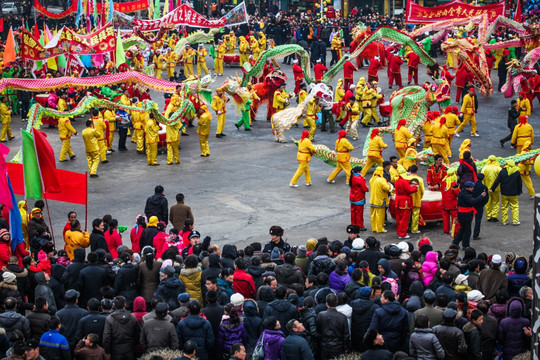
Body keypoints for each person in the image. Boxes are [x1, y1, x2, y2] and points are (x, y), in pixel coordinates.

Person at [452, 181, 487, 250]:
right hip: (466, 214)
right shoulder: (466, 195)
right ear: (467, 188)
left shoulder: (462, 192)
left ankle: (455, 242)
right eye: (471, 187)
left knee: (462, 229)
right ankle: (465, 245)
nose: (473, 188)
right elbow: (472, 202)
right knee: (467, 231)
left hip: (462, 213)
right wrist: (481, 196)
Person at [316, 293, 349, 359]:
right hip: (338, 347)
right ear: (337, 302)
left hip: (324, 346)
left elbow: (317, 331)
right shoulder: (342, 317)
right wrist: (346, 347)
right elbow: (346, 335)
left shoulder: (320, 315)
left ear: (326, 303)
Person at [490, 160, 522, 226]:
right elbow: (519, 183)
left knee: (504, 207)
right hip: (514, 193)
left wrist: (492, 188)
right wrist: (519, 191)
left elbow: (497, 181)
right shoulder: (517, 172)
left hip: (504, 193)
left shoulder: (503, 172)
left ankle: (504, 221)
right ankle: (515, 221)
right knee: (515, 206)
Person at [394, 167, 418, 239]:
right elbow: (410, 190)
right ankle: (403, 234)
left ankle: (399, 232)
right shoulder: (404, 181)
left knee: (399, 218)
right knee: (404, 219)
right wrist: (416, 187)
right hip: (405, 202)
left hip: (398, 201)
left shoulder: (397, 181)